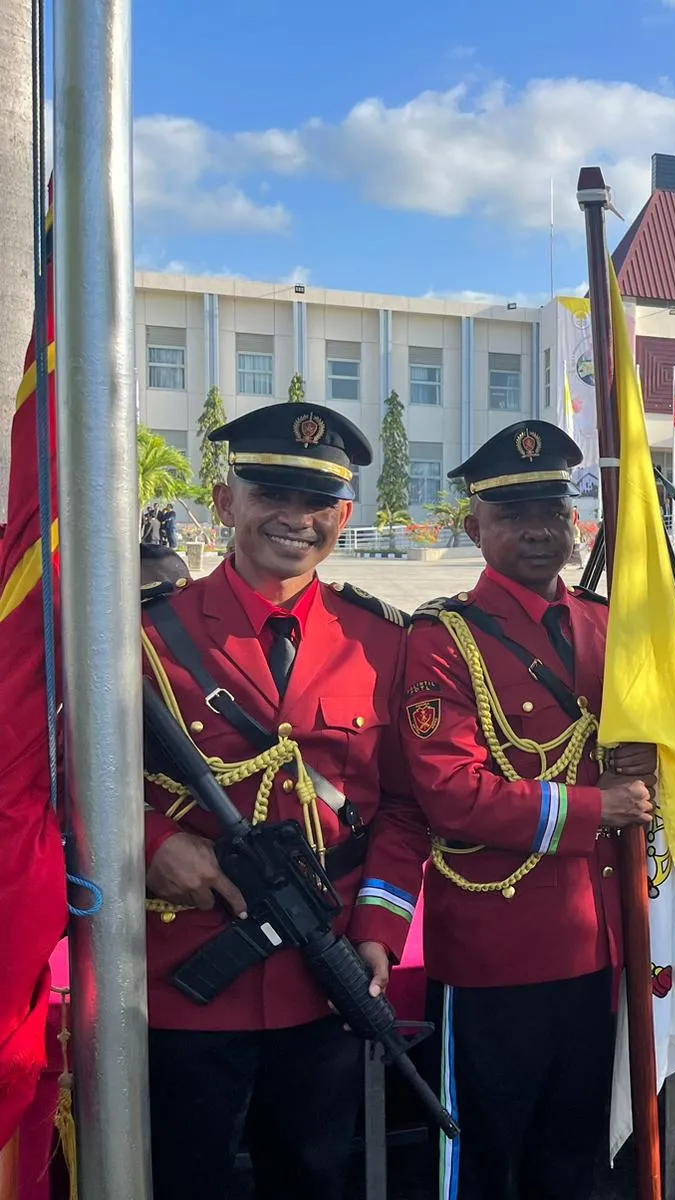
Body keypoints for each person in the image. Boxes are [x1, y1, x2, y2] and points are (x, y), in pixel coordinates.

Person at [139, 401, 425, 1200]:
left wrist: (376, 929)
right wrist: (148, 841)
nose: (294, 519)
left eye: (317, 502)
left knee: (315, 1176)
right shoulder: (148, 636)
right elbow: (60, 779)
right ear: (227, 503)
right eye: (271, 494)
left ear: (344, 514)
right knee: (181, 1178)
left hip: (321, 971)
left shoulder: (383, 640)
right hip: (187, 972)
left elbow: (402, 808)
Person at [397, 419, 656, 1200]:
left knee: (578, 1159)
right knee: (483, 1158)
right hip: (493, 948)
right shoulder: (442, 638)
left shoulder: (613, 625)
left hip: (602, 939)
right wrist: (596, 807)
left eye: (552, 508)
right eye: (512, 514)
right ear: (475, 527)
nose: (540, 530)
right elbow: (450, 793)